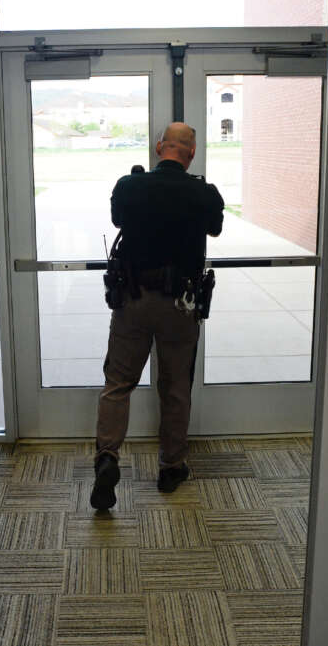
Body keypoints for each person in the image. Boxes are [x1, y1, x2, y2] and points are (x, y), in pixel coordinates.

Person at [90, 122, 224, 510]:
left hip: (132, 300)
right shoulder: (204, 193)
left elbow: (118, 221)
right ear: (191, 153)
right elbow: (214, 229)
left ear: (157, 147)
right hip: (180, 305)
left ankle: (107, 458)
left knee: (118, 384)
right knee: (175, 387)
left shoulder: (129, 186)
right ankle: (170, 468)